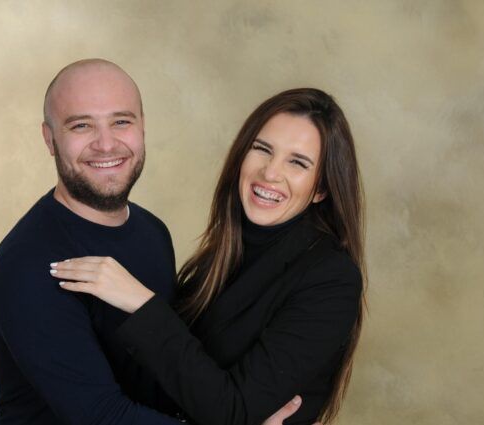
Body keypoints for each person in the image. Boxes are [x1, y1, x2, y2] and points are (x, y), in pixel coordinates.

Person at [0, 59, 307, 424]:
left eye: (121, 122)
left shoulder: (152, 232)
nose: (106, 144)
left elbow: (169, 369)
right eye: (81, 125)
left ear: (142, 127)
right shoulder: (29, 264)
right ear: (50, 139)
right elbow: (102, 417)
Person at [53, 88, 365, 424]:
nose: (270, 173)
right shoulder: (225, 250)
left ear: (321, 189)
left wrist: (141, 303)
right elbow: (170, 382)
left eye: (297, 162)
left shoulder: (331, 279)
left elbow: (232, 412)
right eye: (262, 149)